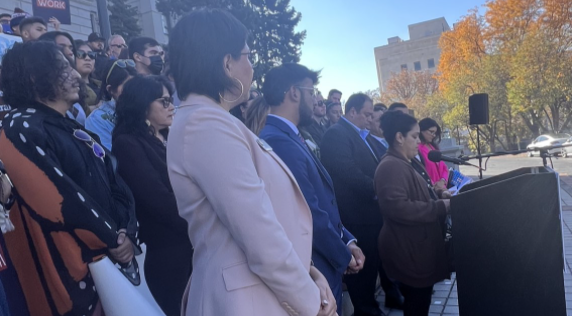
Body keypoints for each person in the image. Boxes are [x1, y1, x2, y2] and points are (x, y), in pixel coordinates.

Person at [168, 8, 336, 316]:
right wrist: (313, 303)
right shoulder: (205, 124)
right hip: (246, 302)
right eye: (248, 55)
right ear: (226, 62)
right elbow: (259, 234)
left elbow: (272, 219)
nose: (252, 66)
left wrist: (310, 272)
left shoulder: (216, 121)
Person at [0, 40, 137, 316]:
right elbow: (59, 202)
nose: (76, 75)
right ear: (34, 76)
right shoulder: (17, 128)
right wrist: (112, 239)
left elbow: (115, 180)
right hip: (69, 278)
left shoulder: (68, 125)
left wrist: (127, 230)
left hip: (104, 265)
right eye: (63, 66)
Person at [256, 63, 364, 316]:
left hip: (324, 257)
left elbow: (323, 199)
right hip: (314, 262)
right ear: (294, 92)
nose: (317, 99)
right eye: (312, 91)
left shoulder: (290, 135)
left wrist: (347, 239)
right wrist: (342, 255)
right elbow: (307, 209)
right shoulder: (277, 140)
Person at [112, 75, 192, 315]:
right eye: (163, 101)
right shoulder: (127, 143)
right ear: (142, 104)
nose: (171, 107)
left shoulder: (171, 137)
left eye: (171, 101)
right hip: (169, 252)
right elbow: (159, 200)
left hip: (193, 244)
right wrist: (203, 219)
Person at [321, 93, 402, 316]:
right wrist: (381, 188)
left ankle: (370, 307)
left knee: (372, 265)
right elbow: (348, 173)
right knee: (361, 272)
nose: (370, 118)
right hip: (355, 218)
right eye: (366, 114)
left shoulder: (360, 135)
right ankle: (366, 310)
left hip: (370, 216)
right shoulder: (336, 134)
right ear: (352, 111)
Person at [375, 110, 450, 316]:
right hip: (408, 251)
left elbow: (421, 189)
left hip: (417, 249)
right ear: (399, 137)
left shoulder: (408, 160)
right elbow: (397, 207)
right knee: (417, 305)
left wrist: (439, 192)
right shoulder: (390, 166)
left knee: (420, 302)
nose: (419, 141)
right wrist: (440, 207)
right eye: (415, 136)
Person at [85, 59, 137, 150]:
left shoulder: (147, 110)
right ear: (111, 90)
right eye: (127, 86)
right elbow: (109, 157)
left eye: (137, 86)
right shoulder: (98, 119)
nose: (134, 91)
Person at [418, 118, 449, 190]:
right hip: (430, 191)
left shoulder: (433, 148)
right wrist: (435, 186)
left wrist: (442, 181)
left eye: (435, 133)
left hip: (443, 189)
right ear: (421, 130)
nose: (434, 135)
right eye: (431, 132)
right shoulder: (417, 149)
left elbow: (444, 168)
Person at [74, 40, 100, 107]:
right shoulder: (69, 87)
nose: (88, 58)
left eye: (91, 55)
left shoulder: (102, 84)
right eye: (81, 54)